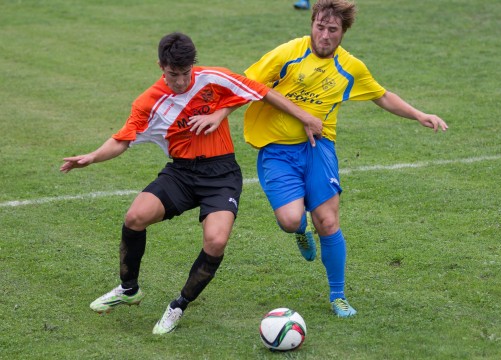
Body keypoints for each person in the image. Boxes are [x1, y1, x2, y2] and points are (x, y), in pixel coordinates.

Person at [60, 32, 322, 335]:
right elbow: (123, 140)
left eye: (186, 73)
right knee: (135, 217)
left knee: (216, 240)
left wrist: (303, 116)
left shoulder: (213, 79)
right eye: (174, 74)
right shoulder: (149, 102)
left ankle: (179, 305)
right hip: (182, 174)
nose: (181, 82)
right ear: (161, 66)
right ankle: (128, 288)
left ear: (193, 66)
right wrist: (92, 157)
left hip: (221, 175)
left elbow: (260, 91)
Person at [242, 0, 448, 318]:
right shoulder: (288, 53)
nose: (324, 35)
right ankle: (299, 229)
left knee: (327, 221)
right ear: (311, 24)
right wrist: (302, 115)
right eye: (319, 27)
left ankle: (338, 295)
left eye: (332, 30)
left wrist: (419, 114)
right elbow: (249, 84)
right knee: (289, 220)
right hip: (277, 149)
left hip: (318, 148)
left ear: (343, 33)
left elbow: (381, 95)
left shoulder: (350, 67)